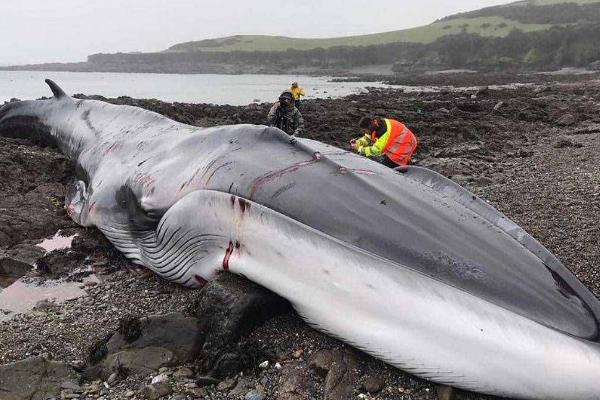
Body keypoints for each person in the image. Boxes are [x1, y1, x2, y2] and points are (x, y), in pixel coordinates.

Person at [350, 116, 417, 168]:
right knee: (389, 160)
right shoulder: (375, 125)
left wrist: (360, 149)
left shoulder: (382, 132)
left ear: (369, 127)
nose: (364, 132)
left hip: (405, 143)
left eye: (364, 131)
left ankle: (404, 168)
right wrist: (358, 142)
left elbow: (376, 150)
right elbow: (367, 138)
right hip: (401, 139)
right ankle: (406, 164)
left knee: (387, 167)